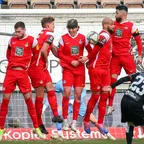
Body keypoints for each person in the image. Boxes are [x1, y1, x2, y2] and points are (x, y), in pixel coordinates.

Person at [0, 21, 44, 140]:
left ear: (24, 30)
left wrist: (26, 65)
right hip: (10, 73)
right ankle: (1, 129)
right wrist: (13, 63)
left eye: (19, 31)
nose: (17, 34)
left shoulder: (32, 40)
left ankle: (37, 128)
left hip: (23, 73)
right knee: (5, 99)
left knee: (28, 99)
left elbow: (36, 54)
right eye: (16, 32)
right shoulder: (12, 40)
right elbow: (8, 54)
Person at [42, 80, 116, 140]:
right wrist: (45, 106)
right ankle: (59, 133)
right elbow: (51, 94)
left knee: (95, 121)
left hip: (80, 106)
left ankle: (108, 135)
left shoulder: (79, 82)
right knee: (57, 114)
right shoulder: (60, 83)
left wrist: (74, 100)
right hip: (67, 105)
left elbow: (83, 94)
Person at [79, 18, 114, 134]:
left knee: (104, 96)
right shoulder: (104, 35)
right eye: (112, 24)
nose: (114, 26)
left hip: (105, 70)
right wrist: (88, 58)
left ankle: (100, 122)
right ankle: (86, 119)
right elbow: (98, 48)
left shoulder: (108, 36)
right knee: (95, 97)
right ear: (105, 25)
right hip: (97, 69)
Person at [28, 16, 63, 134]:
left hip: (40, 68)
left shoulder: (42, 35)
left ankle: (56, 115)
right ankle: (38, 123)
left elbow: (55, 51)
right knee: (40, 96)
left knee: (51, 89)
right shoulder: (49, 35)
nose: (54, 26)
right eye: (53, 24)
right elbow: (43, 50)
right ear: (48, 25)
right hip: (37, 68)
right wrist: (46, 60)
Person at [107, 5, 143, 116]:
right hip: (115, 58)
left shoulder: (131, 26)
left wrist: (140, 55)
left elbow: (138, 41)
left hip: (127, 57)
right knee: (112, 82)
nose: (115, 14)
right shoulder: (112, 24)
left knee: (135, 81)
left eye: (117, 13)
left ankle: (138, 103)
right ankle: (110, 105)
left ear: (123, 14)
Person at [57, 19, 92, 132]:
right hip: (68, 69)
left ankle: (74, 122)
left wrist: (85, 59)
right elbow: (60, 53)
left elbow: (91, 51)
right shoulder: (63, 38)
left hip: (80, 70)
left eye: (73, 28)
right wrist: (70, 61)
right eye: (69, 28)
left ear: (78, 27)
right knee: (66, 93)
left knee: (78, 95)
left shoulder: (83, 38)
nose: (71, 30)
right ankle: (65, 120)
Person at [104, 71, 144, 144]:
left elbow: (124, 79)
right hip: (135, 103)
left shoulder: (140, 73)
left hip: (125, 99)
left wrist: (112, 86)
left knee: (130, 124)